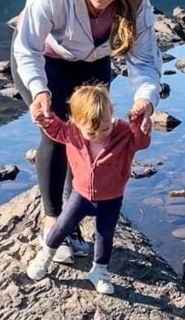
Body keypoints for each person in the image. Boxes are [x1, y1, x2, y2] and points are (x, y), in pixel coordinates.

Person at [10, 0, 162, 264]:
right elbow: (28, 48)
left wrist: (145, 100)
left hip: (93, 61)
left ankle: (74, 212)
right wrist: (39, 91)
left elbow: (145, 60)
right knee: (59, 128)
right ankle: (52, 221)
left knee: (93, 130)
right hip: (44, 58)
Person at [25, 85, 151, 294]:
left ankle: (99, 270)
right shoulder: (72, 133)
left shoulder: (123, 133)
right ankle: (45, 256)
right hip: (81, 195)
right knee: (61, 226)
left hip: (112, 198)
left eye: (105, 128)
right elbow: (55, 128)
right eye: (91, 132)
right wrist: (43, 118)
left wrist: (138, 120)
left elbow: (141, 142)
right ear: (75, 122)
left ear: (111, 111)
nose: (99, 135)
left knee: (105, 234)